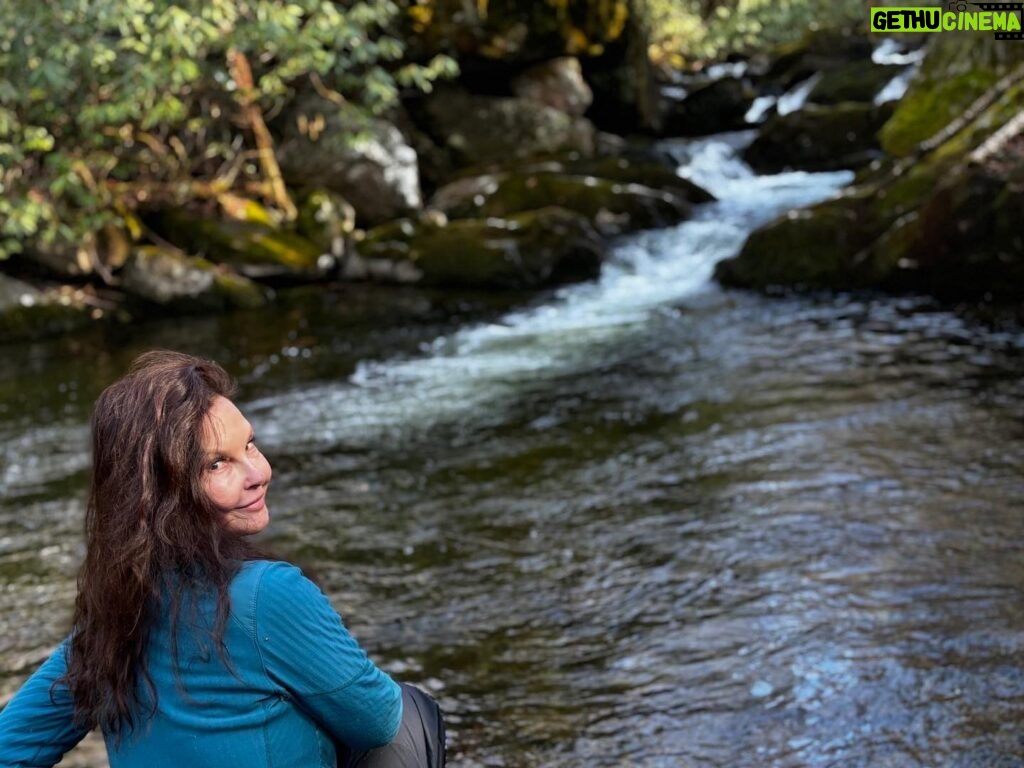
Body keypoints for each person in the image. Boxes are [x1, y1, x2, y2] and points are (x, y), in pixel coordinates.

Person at [0, 350, 445, 768]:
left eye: (249, 445)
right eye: (217, 464)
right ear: (158, 495)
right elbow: (380, 720)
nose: (259, 473)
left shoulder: (113, 617)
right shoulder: (268, 594)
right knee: (411, 712)